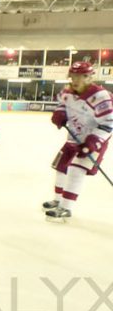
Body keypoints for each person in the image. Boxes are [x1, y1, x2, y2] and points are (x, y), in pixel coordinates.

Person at [43, 62, 112, 220]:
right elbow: (62, 104)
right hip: (73, 138)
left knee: (76, 170)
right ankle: (57, 199)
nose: (76, 80)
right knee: (60, 167)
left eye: (82, 76)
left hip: (93, 140)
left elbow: (108, 124)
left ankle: (66, 207)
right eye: (74, 76)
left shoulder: (100, 97)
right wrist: (60, 114)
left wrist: (93, 142)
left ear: (90, 77)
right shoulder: (67, 92)